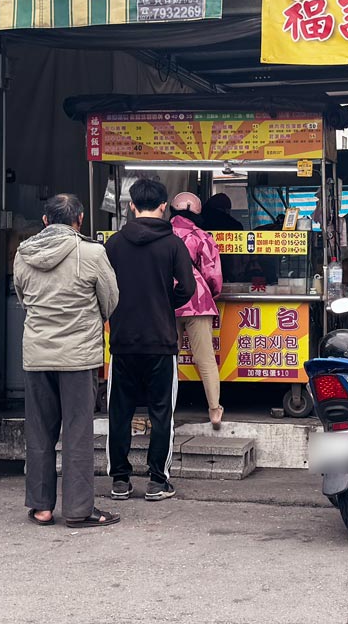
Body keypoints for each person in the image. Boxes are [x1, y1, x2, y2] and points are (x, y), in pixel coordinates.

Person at [14, 193, 122, 529]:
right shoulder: (92, 252)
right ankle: (77, 510)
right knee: (77, 431)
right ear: (80, 219)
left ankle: (42, 506)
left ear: (45, 220)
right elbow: (111, 299)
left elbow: (22, 296)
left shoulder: (23, 253)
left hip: (37, 353)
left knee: (39, 431)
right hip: (78, 355)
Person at [102, 177, 196, 501]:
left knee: (119, 413)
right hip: (161, 341)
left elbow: (102, 289)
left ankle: (119, 481)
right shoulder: (173, 244)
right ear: (163, 207)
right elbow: (188, 287)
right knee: (161, 413)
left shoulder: (113, 244)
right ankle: (158, 481)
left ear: (130, 206)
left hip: (123, 341)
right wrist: (162, 301)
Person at [170, 192, 224, 429]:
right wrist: (211, 293)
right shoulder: (201, 237)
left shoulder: (160, 234)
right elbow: (213, 275)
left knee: (167, 358)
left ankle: (165, 408)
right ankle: (214, 409)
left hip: (165, 301)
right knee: (205, 359)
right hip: (197, 299)